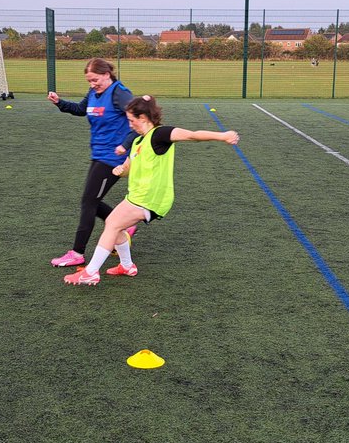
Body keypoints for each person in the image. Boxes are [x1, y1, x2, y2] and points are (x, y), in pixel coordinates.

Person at [64, 94, 240, 286]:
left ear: (143, 118)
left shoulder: (160, 135)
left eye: (131, 120)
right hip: (137, 197)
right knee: (117, 226)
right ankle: (127, 266)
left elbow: (191, 135)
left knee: (112, 223)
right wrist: (121, 170)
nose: (129, 125)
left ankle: (90, 273)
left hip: (150, 199)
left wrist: (223, 136)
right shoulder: (138, 142)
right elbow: (128, 168)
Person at [47, 57, 136, 268]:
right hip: (98, 154)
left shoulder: (119, 92)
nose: (92, 84)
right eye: (89, 81)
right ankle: (125, 226)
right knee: (91, 201)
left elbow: (138, 118)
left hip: (114, 159)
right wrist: (59, 102)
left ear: (107, 74)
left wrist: (125, 144)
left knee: (88, 201)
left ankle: (77, 252)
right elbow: (80, 109)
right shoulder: (94, 93)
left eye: (95, 79)